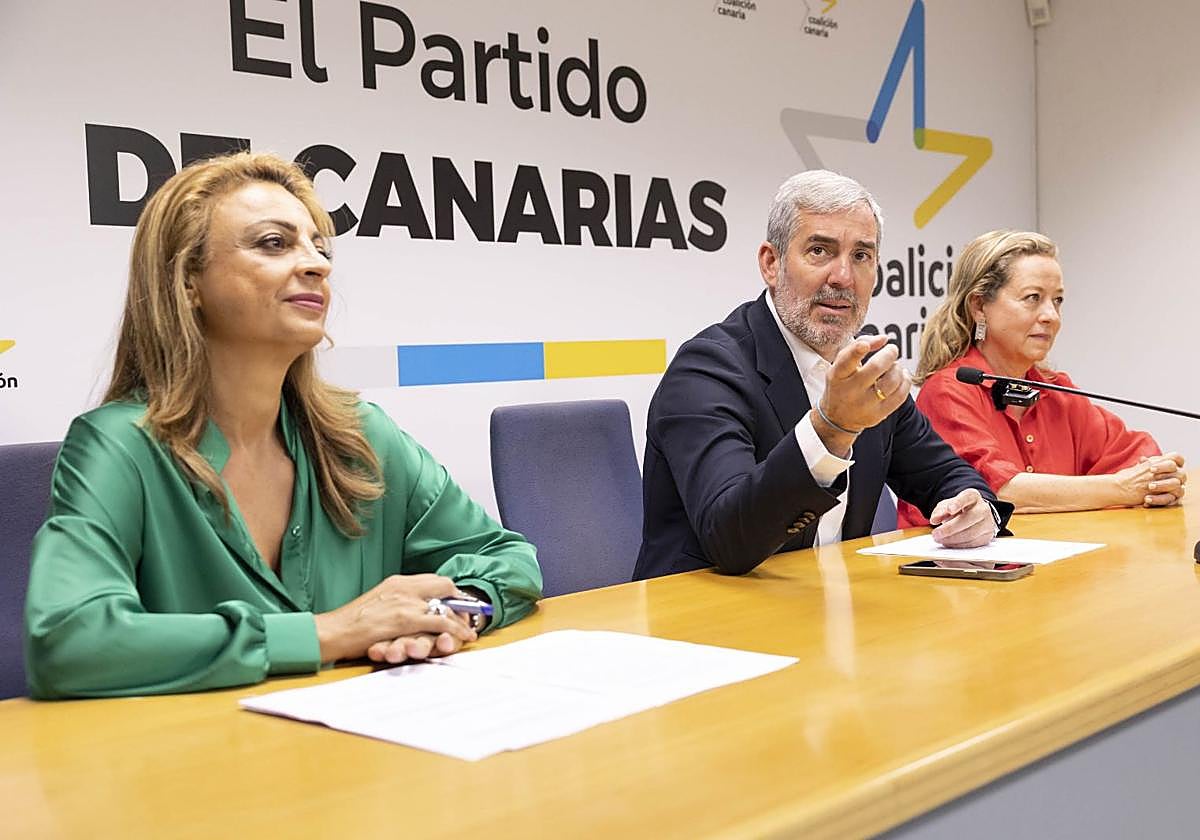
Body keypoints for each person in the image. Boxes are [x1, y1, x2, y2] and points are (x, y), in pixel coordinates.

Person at [24, 152, 542, 699]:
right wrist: (333, 633)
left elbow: (505, 557)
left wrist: (443, 616)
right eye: (274, 243)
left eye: (319, 246)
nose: (317, 264)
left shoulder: (360, 434)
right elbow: (67, 640)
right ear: (188, 281)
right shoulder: (118, 446)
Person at [633, 170, 1009, 580]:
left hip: (826, 610)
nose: (843, 277)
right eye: (819, 251)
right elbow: (729, 539)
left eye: (861, 256)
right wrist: (832, 429)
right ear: (771, 264)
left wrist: (977, 509)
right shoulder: (707, 370)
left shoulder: (868, 371)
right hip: (702, 622)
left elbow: (947, 475)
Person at [897, 230, 1185, 526]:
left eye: (1057, 300)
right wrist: (1122, 488)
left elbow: (1137, 455)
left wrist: (1157, 480)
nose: (1052, 316)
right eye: (1032, 298)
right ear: (979, 306)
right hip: (963, 568)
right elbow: (999, 493)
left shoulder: (1055, 388)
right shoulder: (950, 391)